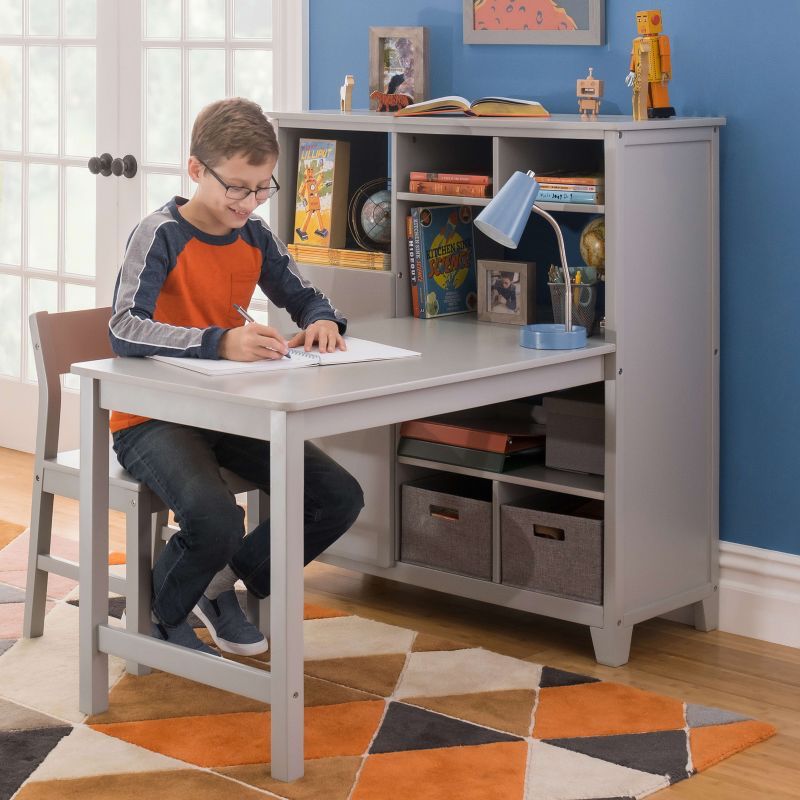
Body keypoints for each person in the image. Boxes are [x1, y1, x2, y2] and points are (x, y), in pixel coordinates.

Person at [108, 97, 364, 656]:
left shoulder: (256, 236)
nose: (249, 203)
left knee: (337, 496)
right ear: (196, 170)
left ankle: (216, 580)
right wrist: (219, 341)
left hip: (228, 411)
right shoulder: (159, 234)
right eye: (238, 188)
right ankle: (160, 619)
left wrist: (321, 321)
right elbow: (124, 329)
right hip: (152, 418)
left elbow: (305, 295)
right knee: (217, 516)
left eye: (262, 188)